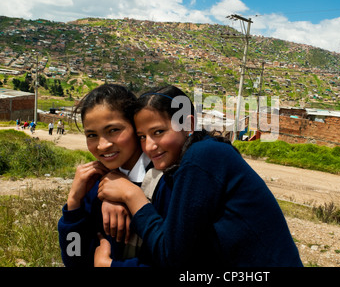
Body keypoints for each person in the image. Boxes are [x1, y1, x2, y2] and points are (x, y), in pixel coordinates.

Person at [97, 85, 303, 267]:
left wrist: (132, 196)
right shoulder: (187, 159)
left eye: (158, 132)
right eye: (142, 137)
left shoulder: (201, 157)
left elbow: (171, 257)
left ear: (188, 125)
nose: (149, 146)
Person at [57, 84, 169, 267]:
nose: (102, 145)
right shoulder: (93, 185)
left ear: (135, 126)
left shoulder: (165, 182)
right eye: (92, 135)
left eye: (113, 130)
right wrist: (73, 203)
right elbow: (74, 258)